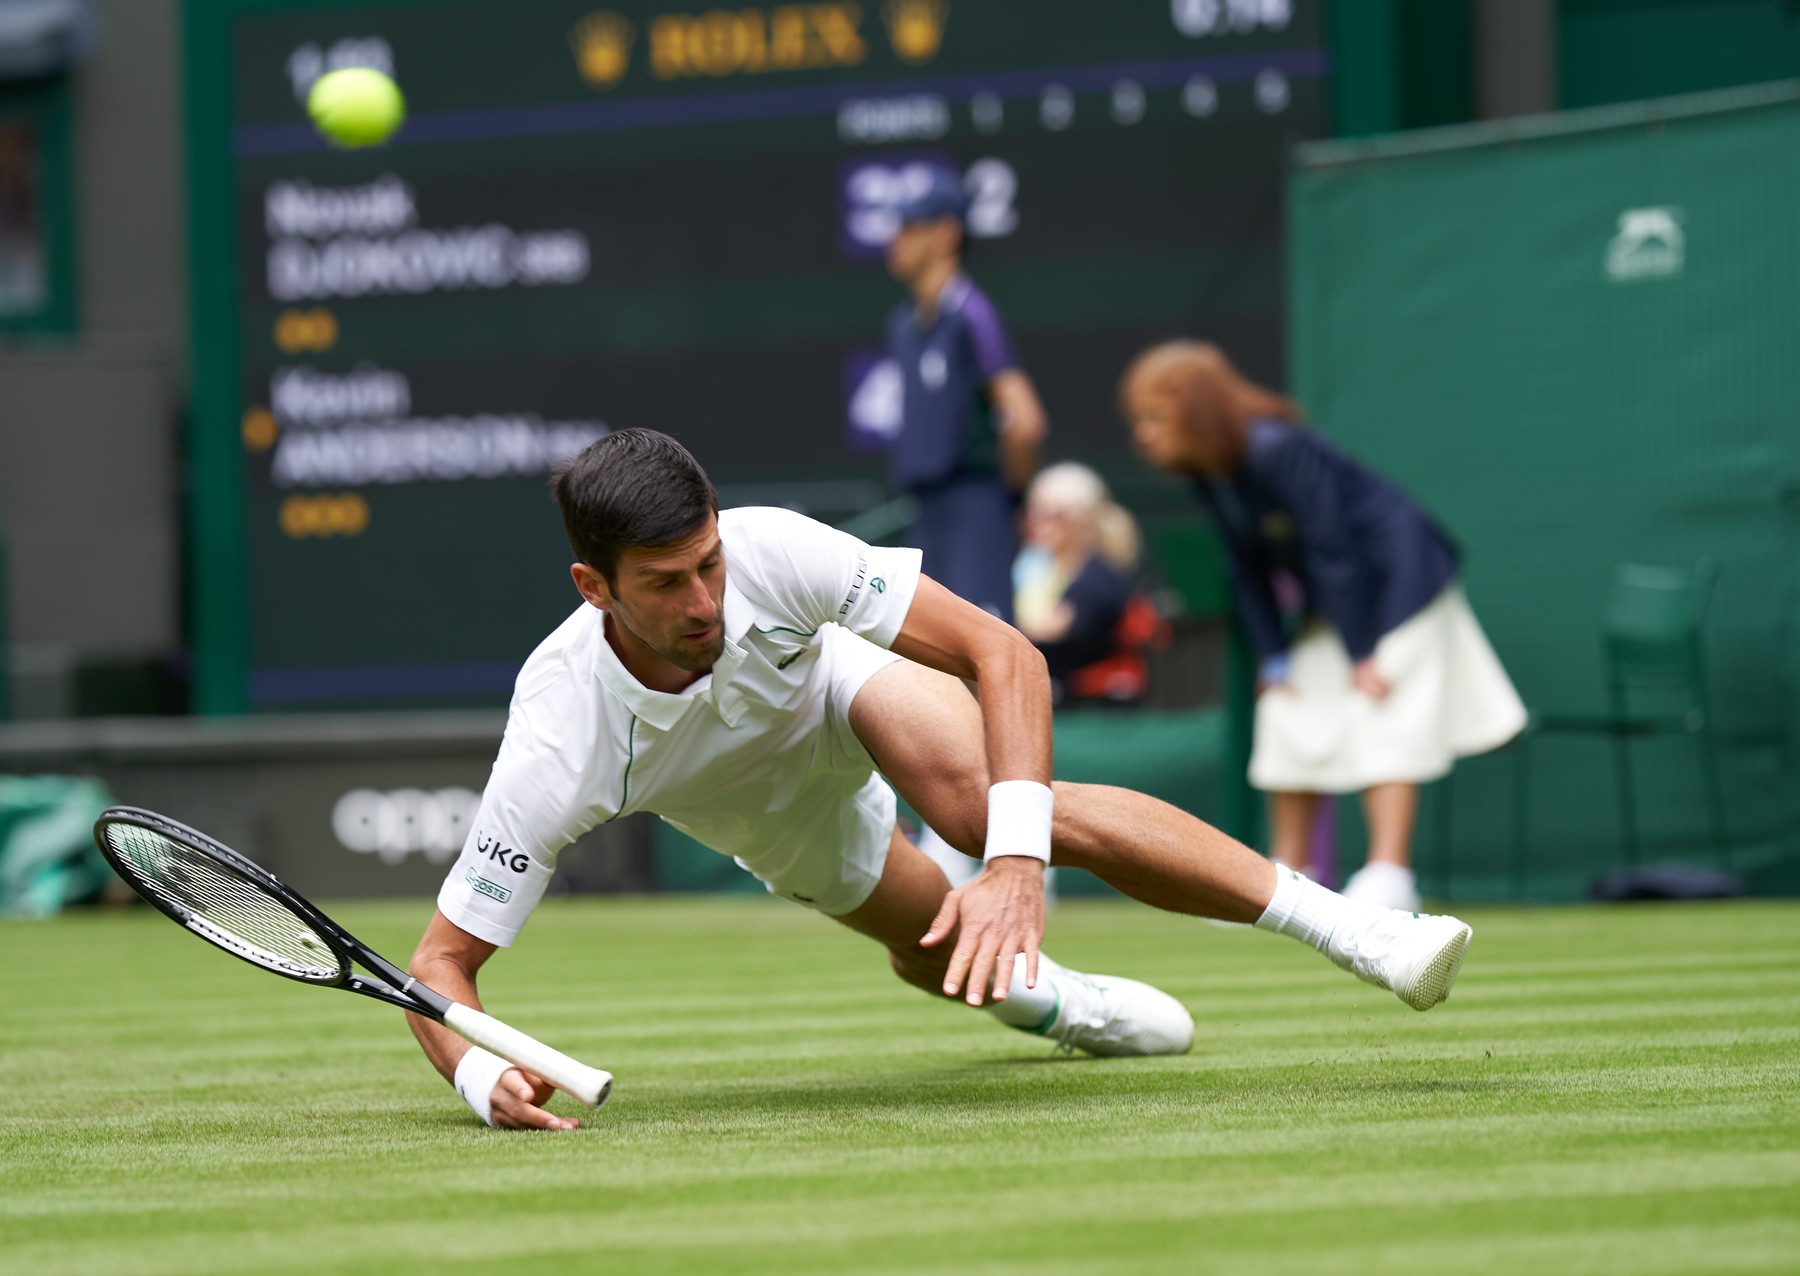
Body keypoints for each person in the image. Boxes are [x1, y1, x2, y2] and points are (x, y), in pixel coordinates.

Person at [409, 428, 1478, 1131]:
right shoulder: (559, 735)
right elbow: (440, 969)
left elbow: (1005, 654)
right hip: (774, 818)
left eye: (709, 562)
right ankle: (1064, 1001)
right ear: (593, 586)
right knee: (933, 952)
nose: (704, 600)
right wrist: (473, 1074)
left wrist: (1011, 859)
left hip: (841, 689)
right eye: (664, 582)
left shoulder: (772, 552)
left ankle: (1360, 931)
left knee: (993, 812)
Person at [1120, 341, 1528, 912]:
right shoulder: (1209, 468)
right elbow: (1244, 567)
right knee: (1287, 706)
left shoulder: (1275, 446)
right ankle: (1283, 883)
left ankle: (1390, 875)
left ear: (1197, 410)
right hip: (1343, 600)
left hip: (1403, 583)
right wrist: (1275, 659)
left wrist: (1363, 654)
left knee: (1381, 704)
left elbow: (1332, 547)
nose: (1143, 434)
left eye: (1154, 418)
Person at [882, 166, 1047, 622]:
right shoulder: (903, 323)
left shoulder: (972, 313)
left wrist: (1010, 501)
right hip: (927, 513)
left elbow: (1025, 421)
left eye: (910, 228)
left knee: (984, 650)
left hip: (976, 508)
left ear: (946, 233)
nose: (895, 241)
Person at [1013, 462, 1141, 702]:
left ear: (1081, 521)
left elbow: (1050, 628)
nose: (1038, 522)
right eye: (1034, 512)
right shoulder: (1035, 567)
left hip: (1086, 707)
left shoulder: (1097, 576)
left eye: (1053, 515)